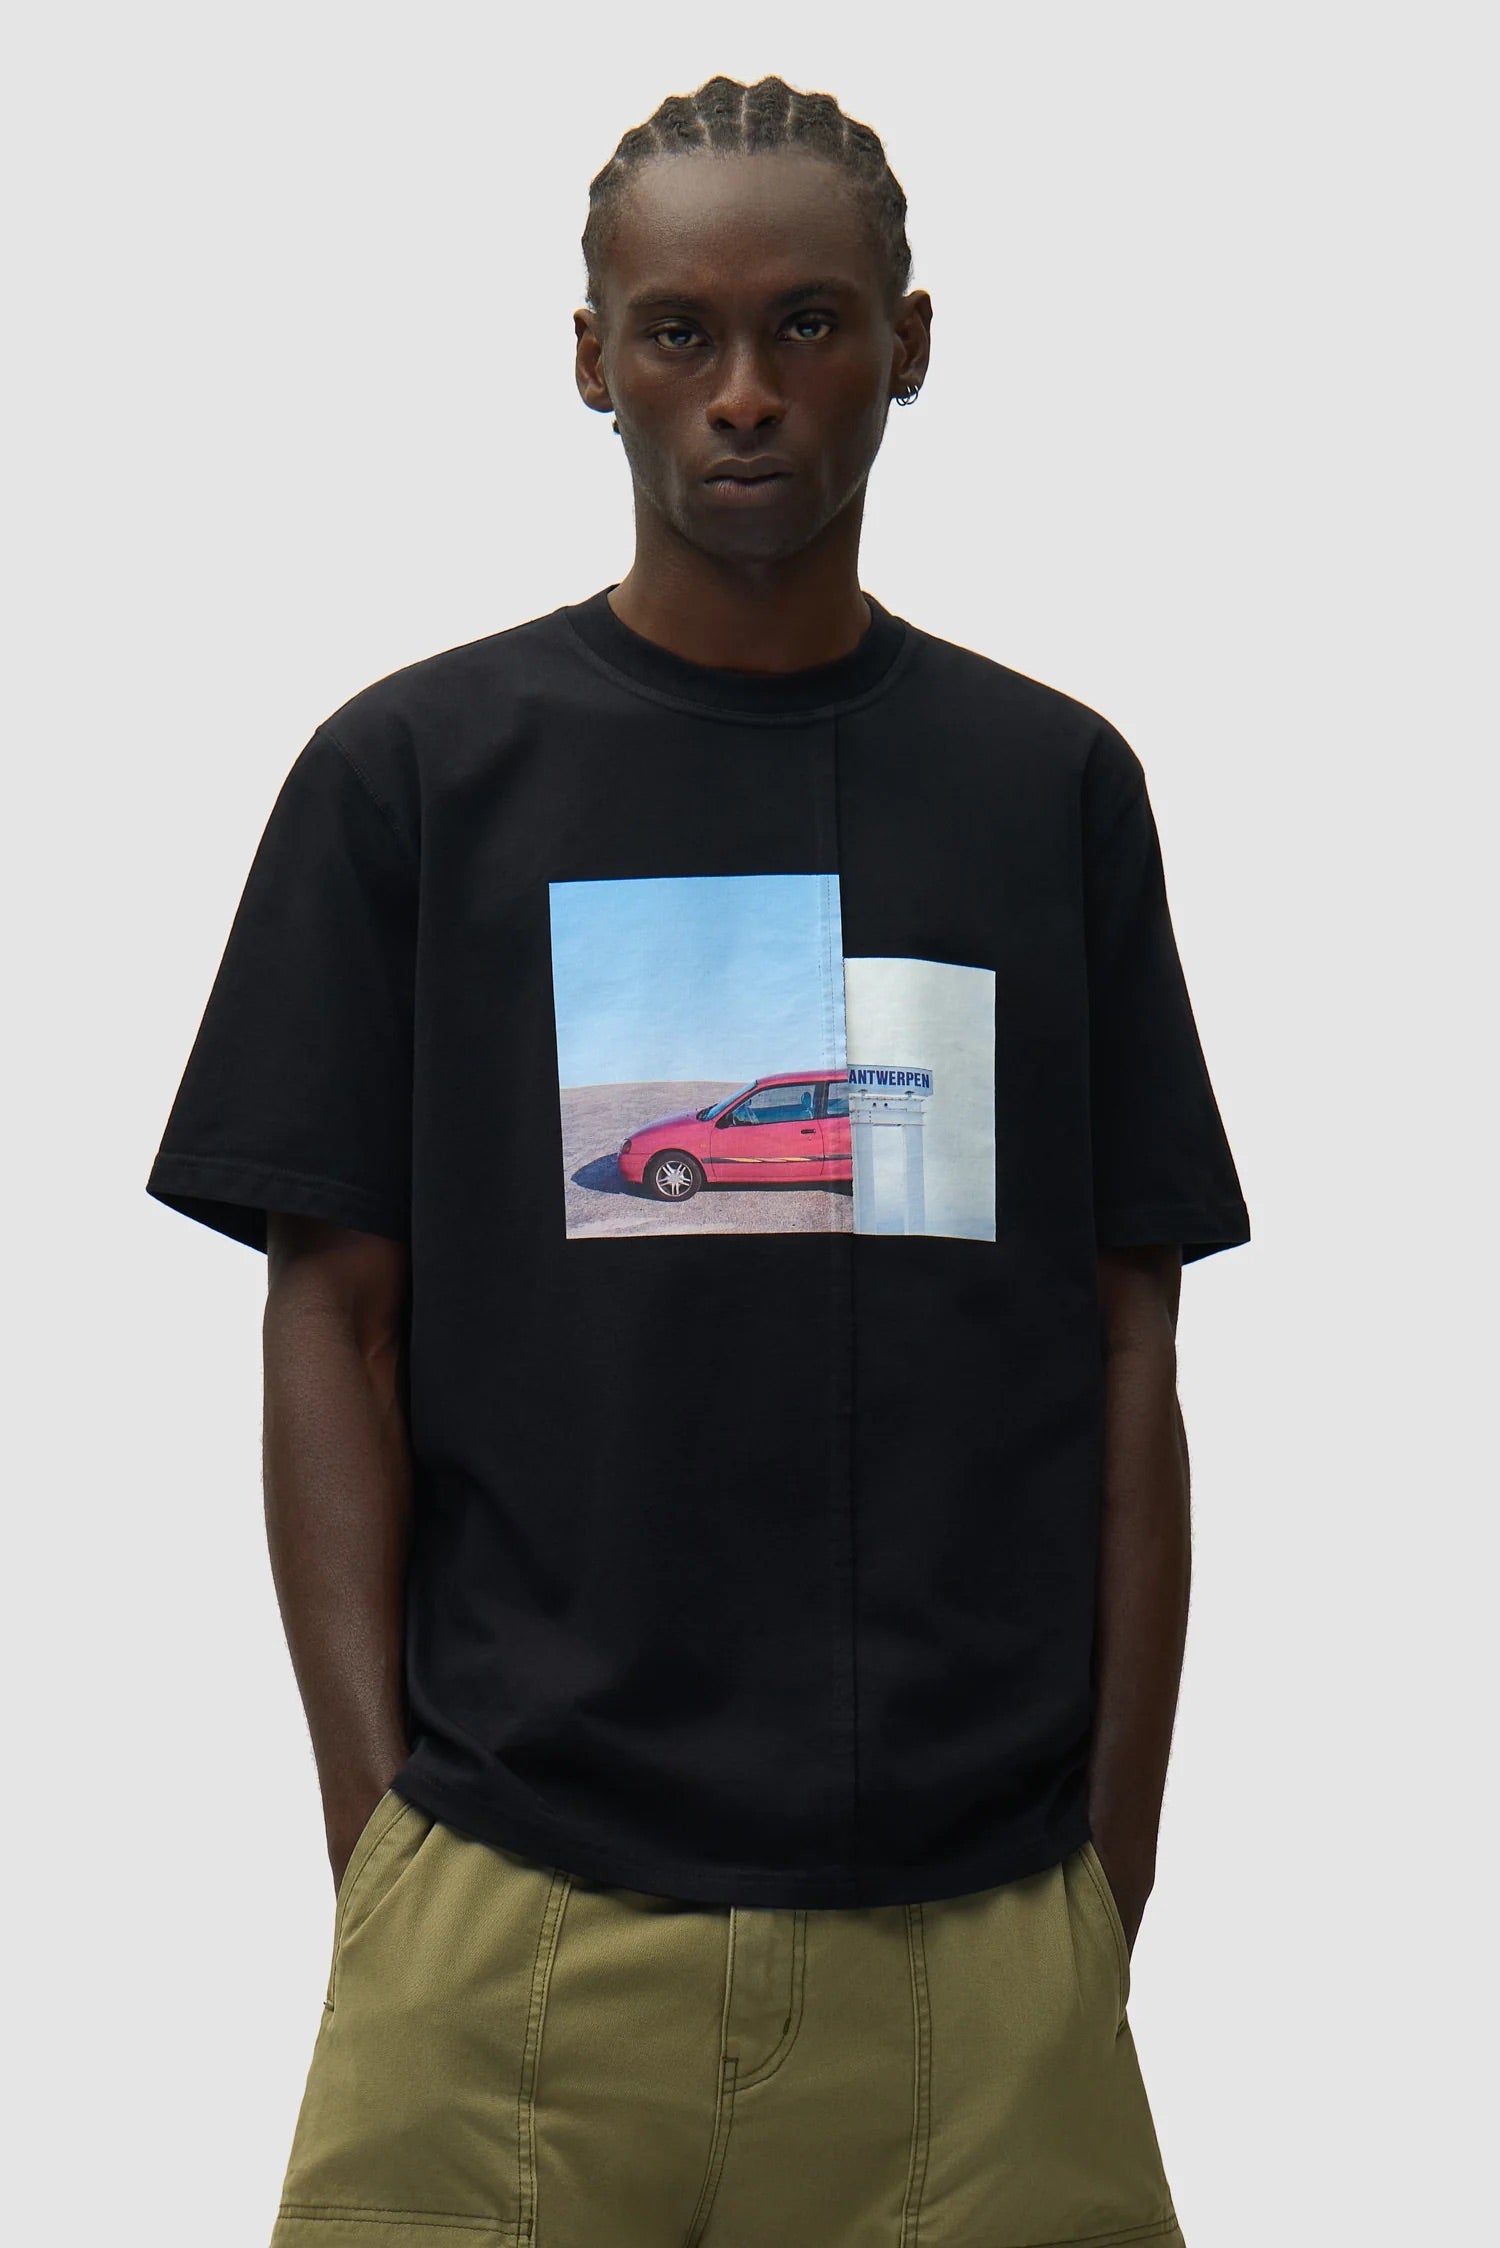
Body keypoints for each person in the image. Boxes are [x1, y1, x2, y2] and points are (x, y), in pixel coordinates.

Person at [147, 72, 1249, 2248]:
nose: (745, 391)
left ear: (907, 345)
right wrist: (382, 1847)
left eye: (807, 325)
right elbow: (329, 1318)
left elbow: (1131, 1339)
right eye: (681, 331)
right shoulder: (414, 779)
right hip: (512, 1934)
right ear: (593, 360)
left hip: (979, 1965)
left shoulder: (1047, 789)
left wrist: (1105, 1876)